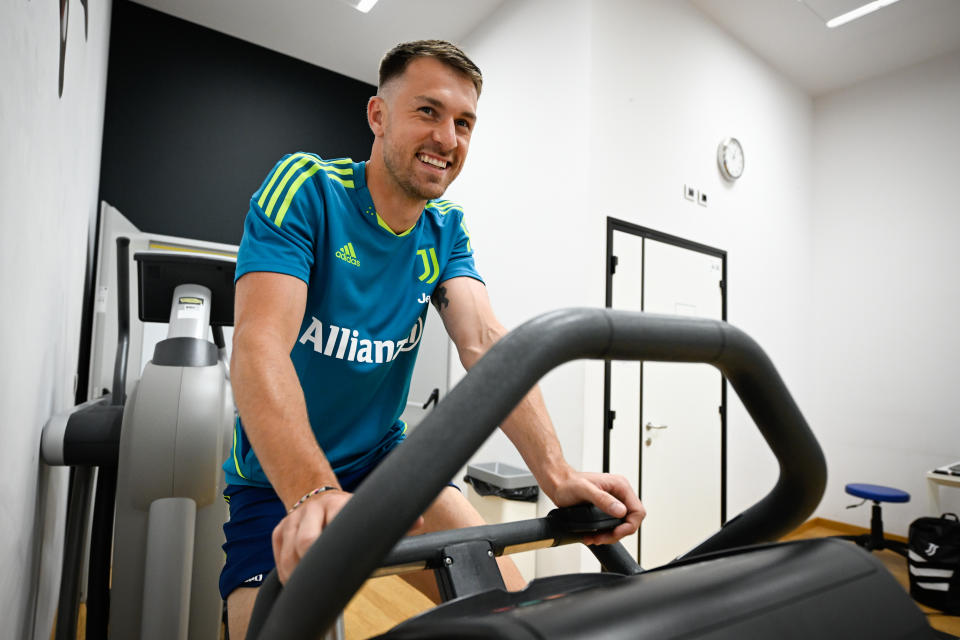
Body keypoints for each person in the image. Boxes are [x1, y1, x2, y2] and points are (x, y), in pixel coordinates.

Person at [220, 39, 645, 638]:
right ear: (377, 115)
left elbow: (486, 344)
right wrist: (312, 491)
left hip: (386, 466)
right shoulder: (307, 191)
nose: (448, 138)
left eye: (463, 122)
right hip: (275, 480)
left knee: (516, 615)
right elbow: (260, 343)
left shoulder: (445, 231)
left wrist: (558, 475)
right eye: (428, 111)